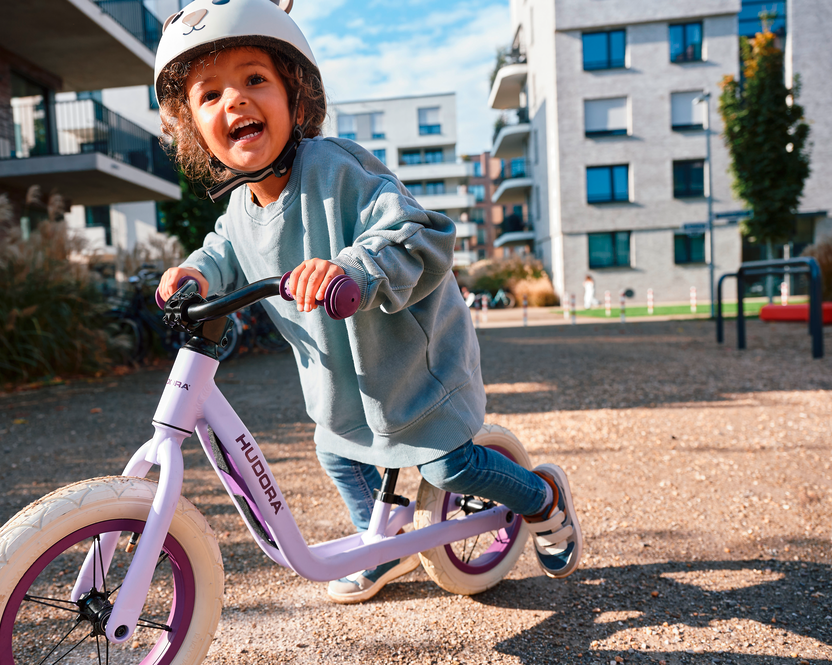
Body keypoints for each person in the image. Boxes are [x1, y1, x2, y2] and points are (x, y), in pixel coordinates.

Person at [153, 0, 582, 604]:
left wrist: (353, 267)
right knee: (336, 454)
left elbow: (419, 231)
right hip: (343, 382)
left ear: (295, 97)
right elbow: (221, 251)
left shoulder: (336, 168)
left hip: (412, 369)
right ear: (195, 128)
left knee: (449, 468)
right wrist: (193, 275)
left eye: (255, 80)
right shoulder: (237, 211)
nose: (236, 102)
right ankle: (381, 539)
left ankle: (542, 499)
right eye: (210, 95)